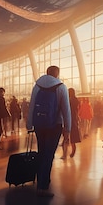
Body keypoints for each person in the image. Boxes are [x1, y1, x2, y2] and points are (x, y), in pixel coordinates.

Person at [26, 65, 71, 197]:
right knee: (49, 154)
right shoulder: (61, 87)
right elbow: (66, 110)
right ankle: (43, 185)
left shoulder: (37, 86)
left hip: (39, 125)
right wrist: (67, 129)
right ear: (57, 74)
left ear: (47, 73)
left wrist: (29, 124)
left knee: (42, 151)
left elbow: (32, 105)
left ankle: (42, 178)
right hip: (55, 125)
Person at [61, 88, 81, 159]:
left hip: (67, 120)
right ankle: (72, 151)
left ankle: (64, 154)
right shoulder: (76, 100)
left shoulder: (68, 100)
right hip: (74, 120)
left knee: (66, 138)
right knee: (73, 138)